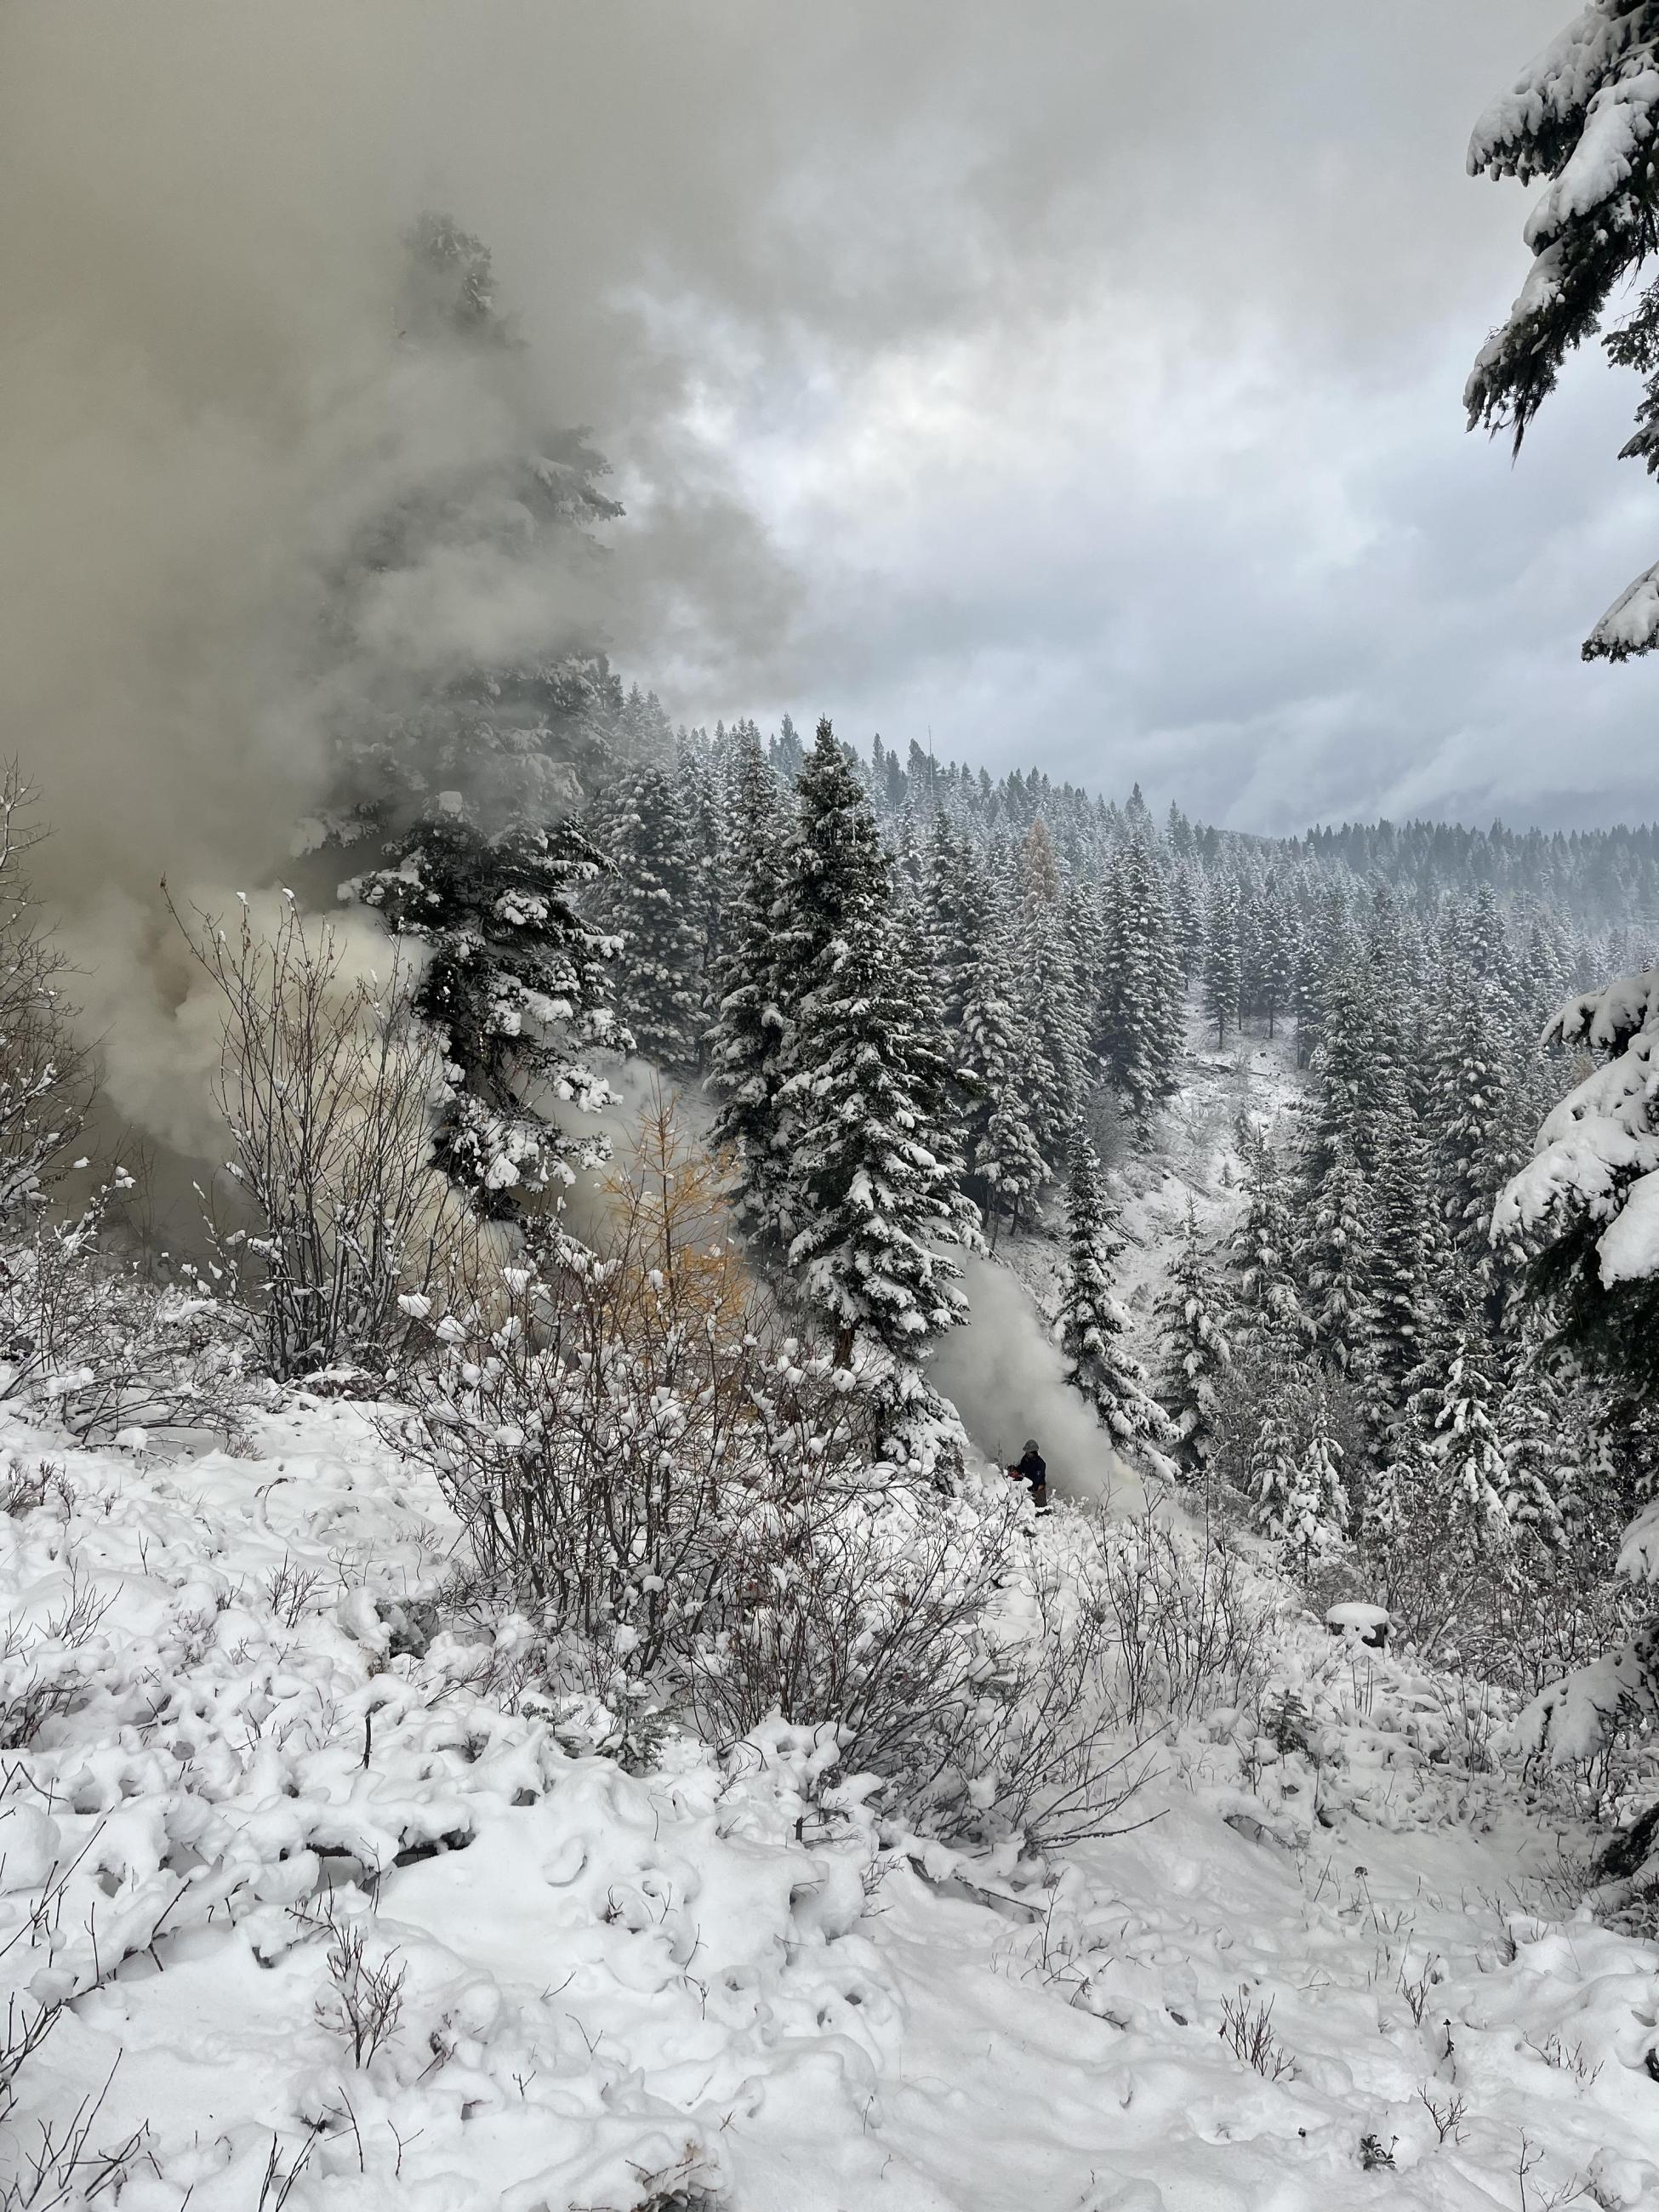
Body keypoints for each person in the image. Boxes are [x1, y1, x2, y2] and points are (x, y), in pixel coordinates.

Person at [1006, 1438, 1047, 1510]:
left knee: (1040, 1512)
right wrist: (1014, 1469)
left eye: (1029, 1452)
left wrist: (1022, 1480)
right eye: (1027, 1452)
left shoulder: (1040, 1464)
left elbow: (1035, 1480)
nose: (1027, 1454)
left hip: (1037, 1490)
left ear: (1034, 1452)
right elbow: (1021, 1468)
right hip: (1027, 1487)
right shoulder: (1026, 1459)